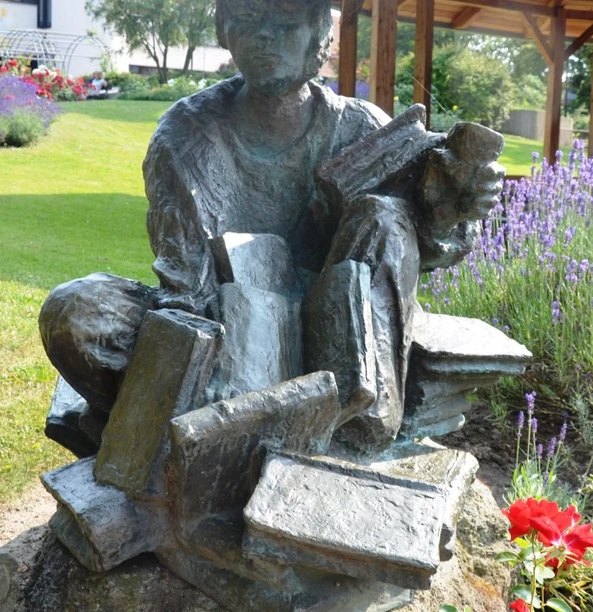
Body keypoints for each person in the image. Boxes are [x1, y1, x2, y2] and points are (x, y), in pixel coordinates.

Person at [39, 0, 503, 455]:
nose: (265, 34)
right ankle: (223, 422)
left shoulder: (362, 128)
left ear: (321, 35)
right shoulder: (183, 134)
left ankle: (347, 427)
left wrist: (448, 207)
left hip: (340, 348)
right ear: (223, 26)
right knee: (75, 310)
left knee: (385, 214)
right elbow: (184, 285)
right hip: (225, 335)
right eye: (246, 17)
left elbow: (419, 248)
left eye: (286, 21)